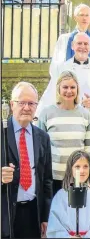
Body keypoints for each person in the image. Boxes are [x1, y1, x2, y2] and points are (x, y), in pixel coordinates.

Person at [36, 32, 90, 148]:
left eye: (86, 44)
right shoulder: (62, 68)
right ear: (72, 46)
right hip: (67, 120)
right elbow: (51, 94)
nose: (82, 47)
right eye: (79, 43)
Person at [1, 82, 52, 238]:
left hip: (33, 213)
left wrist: (45, 216)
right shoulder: (2, 133)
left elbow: (46, 180)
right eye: (22, 103)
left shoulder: (43, 137)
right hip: (6, 213)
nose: (27, 107)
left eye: (31, 103)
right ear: (12, 104)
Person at [36, 72, 90, 195]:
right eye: (65, 87)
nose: (69, 91)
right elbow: (39, 148)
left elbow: (89, 150)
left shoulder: (85, 115)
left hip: (77, 178)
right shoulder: (46, 114)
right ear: (58, 88)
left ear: (77, 89)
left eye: (72, 87)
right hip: (53, 178)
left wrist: (85, 174)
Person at [46, 150, 90, 238]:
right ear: (70, 169)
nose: (82, 171)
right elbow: (55, 225)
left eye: (85, 166)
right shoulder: (61, 195)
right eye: (77, 167)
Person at [50, 4, 90, 76]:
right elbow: (56, 65)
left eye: (87, 15)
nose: (84, 18)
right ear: (75, 17)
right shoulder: (64, 39)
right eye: (81, 15)